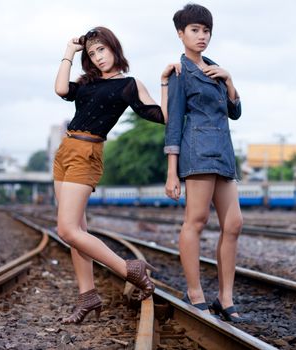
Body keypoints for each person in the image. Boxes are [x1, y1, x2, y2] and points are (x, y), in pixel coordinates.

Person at [54, 26, 176, 324]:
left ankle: (129, 269)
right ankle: (87, 296)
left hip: (87, 154)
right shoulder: (87, 83)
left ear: (114, 49)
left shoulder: (128, 85)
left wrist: (163, 83)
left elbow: (162, 116)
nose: (97, 57)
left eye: (102, 50)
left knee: (67, 229)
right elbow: (60, 89)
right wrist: (70, 52)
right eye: (92, 52)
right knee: (77, 232)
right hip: (65, 152)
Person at [164, 4, 246, 323]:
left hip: (223, 151)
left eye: (206, 30)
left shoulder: (215, 69)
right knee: (196, 220)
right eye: (195, 30)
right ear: (181, 34)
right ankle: (195, 292)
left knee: (234, 223)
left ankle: (225, 298)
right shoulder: (179, 72)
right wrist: (172, 172)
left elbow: (235, 111)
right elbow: (173, 124)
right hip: (196, 149)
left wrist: (229, 80)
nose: (202, 36)